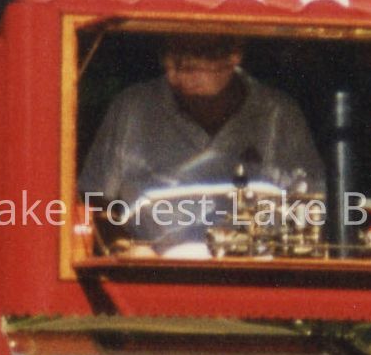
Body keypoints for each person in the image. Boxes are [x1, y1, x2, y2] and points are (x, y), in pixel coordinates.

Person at [78, 33, 323, 253]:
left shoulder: (278, 114)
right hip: (152, 275)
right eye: (173, 54)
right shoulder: (133, 107)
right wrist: (125, 249)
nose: (180, 69)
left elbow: (311, 204)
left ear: (234, 54)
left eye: (196, 55)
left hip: (253, 274)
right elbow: (93, 199)